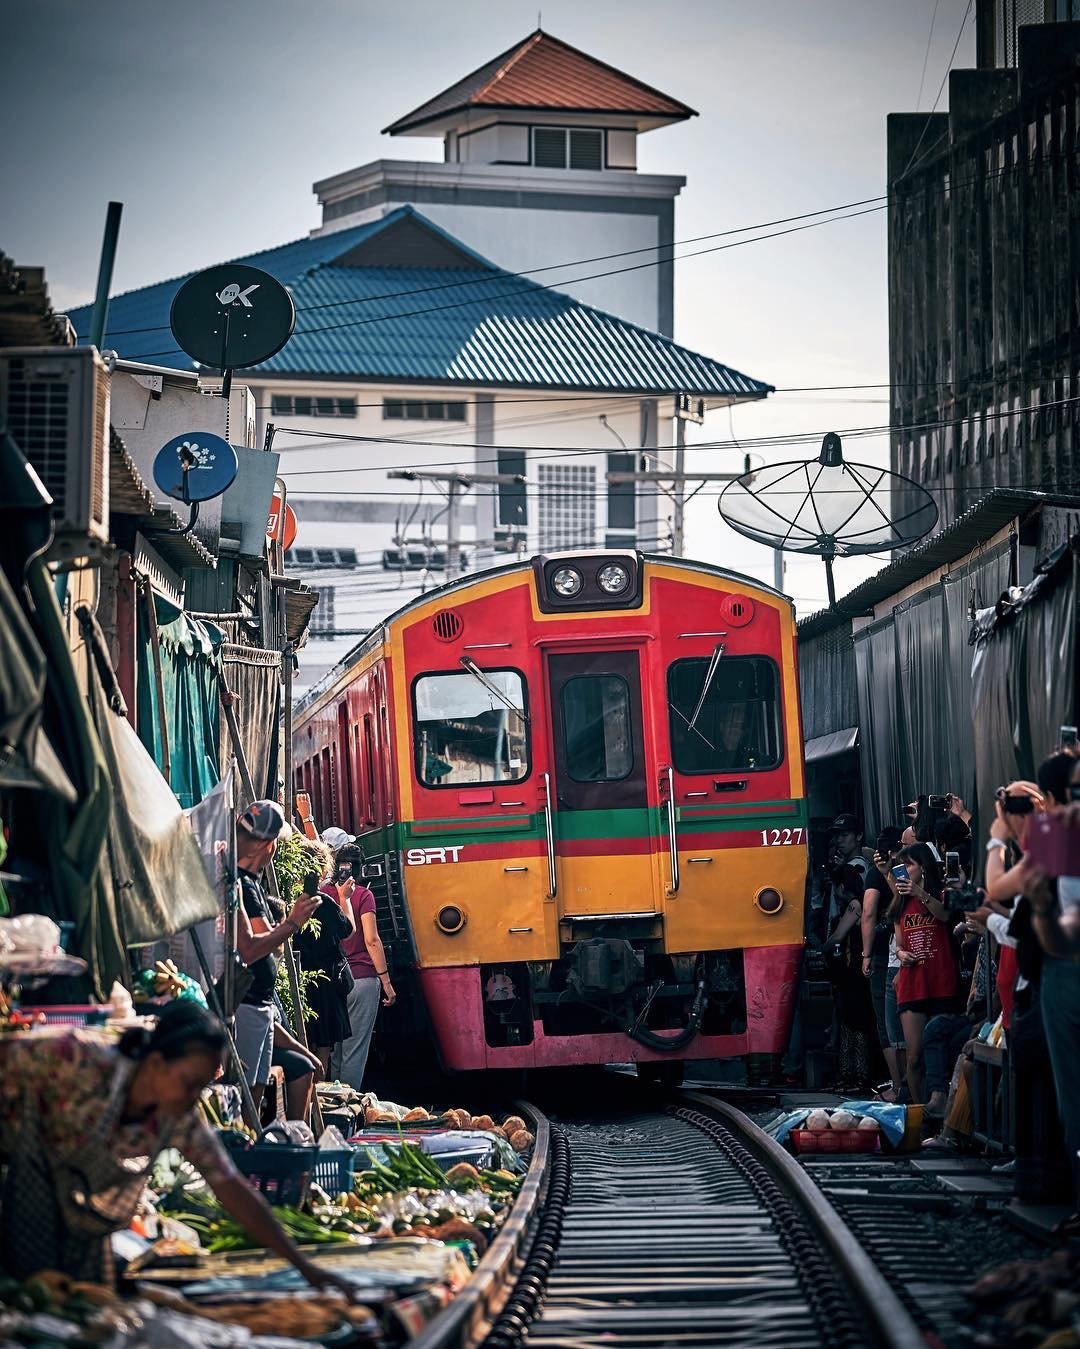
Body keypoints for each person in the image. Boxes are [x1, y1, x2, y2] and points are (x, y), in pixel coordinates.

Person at [0, 1001, 352, 1296]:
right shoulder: (73, 1057)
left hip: (88, 1235)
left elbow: (232, 1189)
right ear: (155, 1063)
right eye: (188, 1083)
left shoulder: (177, 1117)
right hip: (23, 1199)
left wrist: (305, 1267)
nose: (192, 1098)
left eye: (200, 1087)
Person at [233, 800, 320, 1113]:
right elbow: (251, 947)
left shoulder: (248, 883)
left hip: (257, 1007)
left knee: (254, 1093)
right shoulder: (239, 883)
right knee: (248, 1101)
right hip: (247, 1006)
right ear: (266, 845)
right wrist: (293, 922)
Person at [887, 842, 959, 1103]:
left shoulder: (941, 893)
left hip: (940, 979)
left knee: (941, 1050)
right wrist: (901, 954)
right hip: (912, 981)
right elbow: (900, 943)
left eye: (908, 865)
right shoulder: (899, 903)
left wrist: (920, 893)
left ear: (923, 867)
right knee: (914, 1055)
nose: (902, 871)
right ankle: (921, 1112)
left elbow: (944, 916)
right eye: (900, 866)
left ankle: (942, 1107)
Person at [331, 843, 396, 1090]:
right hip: (362, 980)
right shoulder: (363, 896)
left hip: (333, 981)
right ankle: (348, 1107)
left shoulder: (324, 892)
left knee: (334, 1049)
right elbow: (371, 940)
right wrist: (386, 982)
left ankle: (330, 1107)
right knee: (354, 1050)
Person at [293, 838, 355, 1077]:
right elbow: (347, 930)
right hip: (326, 982)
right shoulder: (323, 901)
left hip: (300, 979)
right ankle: (317, 1095)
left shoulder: (292, 899)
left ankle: (308, 1093)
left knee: (304, 1041)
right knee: (323, 1048)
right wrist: (345, 899)